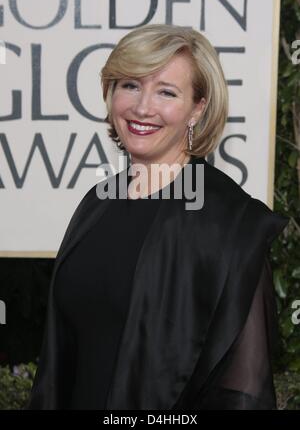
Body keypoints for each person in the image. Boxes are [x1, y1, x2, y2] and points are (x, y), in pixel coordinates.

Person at [26, 24, 289, 410]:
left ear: (197, 108)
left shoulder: (231, 223)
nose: (142, 107)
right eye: (130, 85)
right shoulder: (97, 202)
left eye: (166, 91)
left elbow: (244, 393)